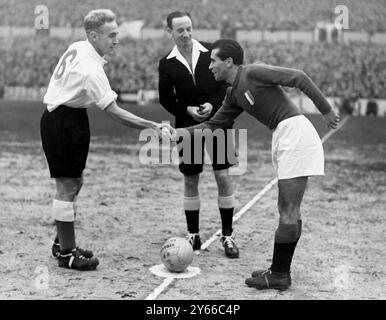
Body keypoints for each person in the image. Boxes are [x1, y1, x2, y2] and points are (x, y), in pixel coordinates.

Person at [177, 39, 340, 290]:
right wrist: (178, 133)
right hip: (283, 135)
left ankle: (279, 275)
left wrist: (326, 110)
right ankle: (279, 270)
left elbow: (298, 76)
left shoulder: (252, 72)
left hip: (295, 133)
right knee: (287, 208)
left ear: (229, 62)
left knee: (288, 209)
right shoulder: (232, 94)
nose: (210, 66)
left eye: (213, 61)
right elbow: (213, 125)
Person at [40, 9, 173, 271]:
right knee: (66, 187)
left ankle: (63, 241)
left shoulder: (79, 46)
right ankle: (66, 253)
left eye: (117, 34)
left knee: (76, 181)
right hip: (62, 122)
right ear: (93, 35)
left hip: (72, 118)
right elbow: (114, 112)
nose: (116, 39)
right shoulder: (91, 69)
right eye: (111, 35)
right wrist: (152, 125)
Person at [158, 11, 239, 258]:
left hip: (219, 122)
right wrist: (187, 109)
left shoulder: (209, 52)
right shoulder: (167, 63)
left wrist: (212, 106)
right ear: (170, 32)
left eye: (189, 28)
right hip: (187, 126)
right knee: (191, 179)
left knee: (223, 177)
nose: (186, 34)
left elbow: (226, 85)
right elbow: (166, 98)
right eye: (180, 30)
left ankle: (228, 236)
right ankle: (193, 234)